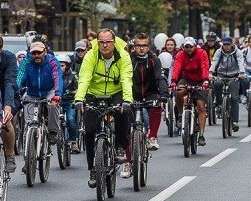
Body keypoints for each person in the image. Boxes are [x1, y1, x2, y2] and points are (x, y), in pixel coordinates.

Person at [74, 28, 133, 187]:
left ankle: (120, 145)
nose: (105, 45)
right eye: (101, 42)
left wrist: (127, 100)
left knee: (123, 114)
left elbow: (126, 78)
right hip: (94, 93)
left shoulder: (123, 55)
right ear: (97, 43)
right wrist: (79, 98)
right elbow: (84, 78)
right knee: (89, 129)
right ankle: (92, 169)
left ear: (114, 42)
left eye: (108, 42)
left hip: (116, 92)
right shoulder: (90, 55)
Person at [17, 41, 63, 152]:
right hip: (32, 93)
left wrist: (57, 95)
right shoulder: (26, 62)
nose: (37, 55)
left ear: (45, 52)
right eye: (34, 53)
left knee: (53, 106)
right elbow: (19, 78)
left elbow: (57, 78)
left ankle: (52, 131)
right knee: (29, 123)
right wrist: (16, 91)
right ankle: (29, 154)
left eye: (39, 52)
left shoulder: (52, 61)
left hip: (49, 91)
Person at [131, 33, 168, 153]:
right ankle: (127, 162)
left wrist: (164, 94)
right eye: (138, 45)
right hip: (132, 93)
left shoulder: (154, 60)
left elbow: (160, 78)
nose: (141, 48)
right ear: (134, 46)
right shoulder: (128, 59)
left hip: (150, 92)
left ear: (149, 46)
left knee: (157, 104)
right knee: (125, 125)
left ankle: (152, 137)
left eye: (144, 45)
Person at [170, 37, 209, 146]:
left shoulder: (202, 53)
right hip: (186, 79)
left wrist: (205, 81)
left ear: (195, 46)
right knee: (179, 92)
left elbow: (204, 66)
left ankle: (201, 135)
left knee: (201, 106)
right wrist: (173, 81)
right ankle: (181, 115)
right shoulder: (180, 55)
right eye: (186, 47)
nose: (188, 49)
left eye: (191, 46)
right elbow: (177, 68)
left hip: (200, 80)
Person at [209, 36, 245, 132]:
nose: (226, 47)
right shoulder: (219, 51)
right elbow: (215, 61)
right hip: (221, 74)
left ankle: (234, 122)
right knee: (216, 84)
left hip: (234, 76)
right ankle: (219, 104)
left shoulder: (237, 52)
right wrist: (211, 72)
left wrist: (241, 73)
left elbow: (241, 61)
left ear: (231, 44)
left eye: (228, 45)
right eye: (224, 44)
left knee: (234, 98)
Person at [0, 34, 17, 173]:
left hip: (7, 95)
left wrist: (7, 106)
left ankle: (10, 155)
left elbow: (9, 82)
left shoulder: (9, 58)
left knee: (5, 120)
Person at [56, 54, 79, 154]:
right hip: (58, 101)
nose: (60, 68)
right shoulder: (54, 75)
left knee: (70, 119)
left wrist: (75, 92)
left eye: (62, 65)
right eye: (58, 65)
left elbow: (79, 87)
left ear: (67, 66)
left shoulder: (73, 75)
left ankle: (74, 141)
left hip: (70, 101)